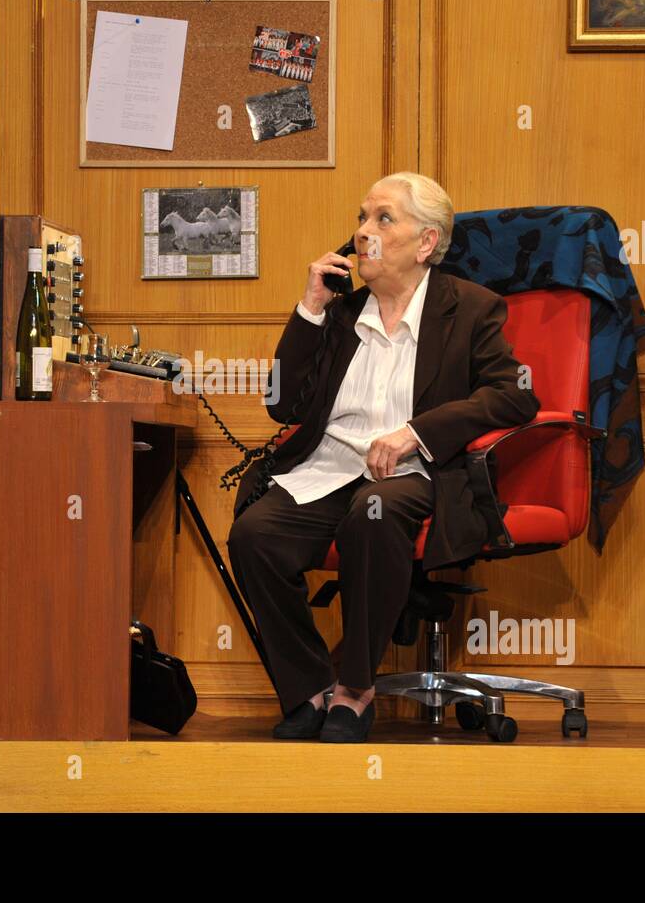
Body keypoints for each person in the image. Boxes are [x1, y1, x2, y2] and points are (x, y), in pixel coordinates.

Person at [226, 172, 539, 744]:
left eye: (383, 219)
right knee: (255, 534)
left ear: (426, 242)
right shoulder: (342, 314)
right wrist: (311, 308)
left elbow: (515, 394)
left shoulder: (470, 308)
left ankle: (354, 690)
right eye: (362, 218)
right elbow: (280, 404)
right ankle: (309, 687)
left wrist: (417, 432)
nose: (363, 232)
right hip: (329, 466)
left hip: (414, 471)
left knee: (373, 511)